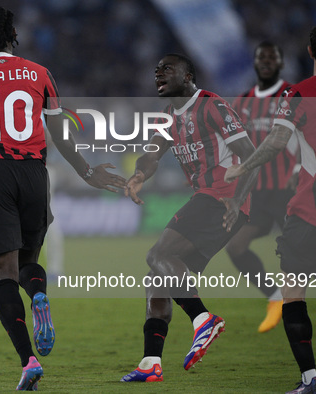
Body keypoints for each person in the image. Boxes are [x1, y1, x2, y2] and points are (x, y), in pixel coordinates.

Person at [0, 7, 126, 391]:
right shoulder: (39, 73)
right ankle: (39, 294)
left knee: (2, 273)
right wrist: (88, 172)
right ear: (13, 35)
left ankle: (28, 361)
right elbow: (61, 135)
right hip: (35, 174)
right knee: (28, 264)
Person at [225, 19, 316, 393]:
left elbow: (277, 142)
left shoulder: (298, 93)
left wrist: (242, 167)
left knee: (294, 292)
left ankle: (310, 381)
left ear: (309, 52)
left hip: (311, 209)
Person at [121, 53, 258, 383]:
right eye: (156, 70)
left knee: (158, 255)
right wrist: (140, 173)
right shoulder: (168, 115)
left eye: (167, 69)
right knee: (157, 277)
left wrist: (237, 199)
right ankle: (151, 362)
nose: (158, 74)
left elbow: (251, 155)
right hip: (209, 198)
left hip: (223, 197)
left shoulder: (212, 105)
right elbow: (153, 154)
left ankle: (203, 320)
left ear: (188, 75)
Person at [227, 41, 296, 333]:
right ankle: (275, 297)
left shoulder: (293, 95)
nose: (267, 62)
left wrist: (298, 167)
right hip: (257, 192)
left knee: (304, 253)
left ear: (281, 63)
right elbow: (231, 144)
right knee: (236, 246)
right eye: (262, 58)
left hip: (289, 189)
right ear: (254, 63)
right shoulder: (241, 102)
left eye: (273, 57)